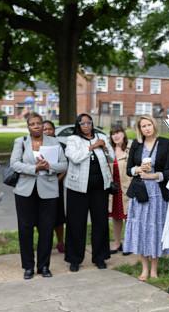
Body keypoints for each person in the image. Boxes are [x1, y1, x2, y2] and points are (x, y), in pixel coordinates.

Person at [10, 112, 67, 279]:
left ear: (43, 125)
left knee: (46, 229)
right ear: (28, 127)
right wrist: (34, 168)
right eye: (32, 124)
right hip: (24, 191)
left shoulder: (54, 142)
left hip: (48, 191)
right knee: (25, 229)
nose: (36, 126)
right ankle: (28, 266)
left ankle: (44, 266)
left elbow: (63, 165)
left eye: (39, 123)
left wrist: (49, 166)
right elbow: (14, 164)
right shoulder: (21, 142)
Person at [123, 116, 169, 281]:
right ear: (139, 129)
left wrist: (153, 176)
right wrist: (138, 169)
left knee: (155, 229)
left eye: (148, 124)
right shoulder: (136, 144)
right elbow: (128, 169)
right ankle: (144, 268)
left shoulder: (165, 143)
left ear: (154, 125)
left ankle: (154, 269)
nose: (146, 128)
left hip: (158, 193)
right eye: (143, 126)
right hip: (140, 193)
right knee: (141, 229)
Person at [64, 113, 114, 272]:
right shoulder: (73, 140)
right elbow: (75, 157)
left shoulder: (101, 136)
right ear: (78, 125)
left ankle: (100, 257)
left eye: (89, 122)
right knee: (76, 223)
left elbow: (111, 157)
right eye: (82, 123)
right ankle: (74, 259)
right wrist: (92, 147)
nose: (86, 126)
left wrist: (104, 147)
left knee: (100, 222)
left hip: (100, 187)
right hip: (78, 188)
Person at [42, 120, 66, 253]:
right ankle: (46, 242)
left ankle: (61, 242)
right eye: (44, 129)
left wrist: (57, 180)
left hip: (56, 185)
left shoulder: (60, 146)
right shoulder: (37, 145)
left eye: (49, 129)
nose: (47, 131)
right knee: (43, 216)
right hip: (40, 185)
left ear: (54, 131)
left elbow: (65, 167)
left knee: (58, 216)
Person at [108, 126, 131, 255]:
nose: (116, 136)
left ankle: (128, 244)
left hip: (126, 189)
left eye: (118, 132)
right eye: (113, 133)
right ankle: (117, 243)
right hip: (113, 190)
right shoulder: (108, 151)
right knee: (116, 218)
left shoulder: (130, 150)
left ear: (123, 134)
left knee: (128, 218)